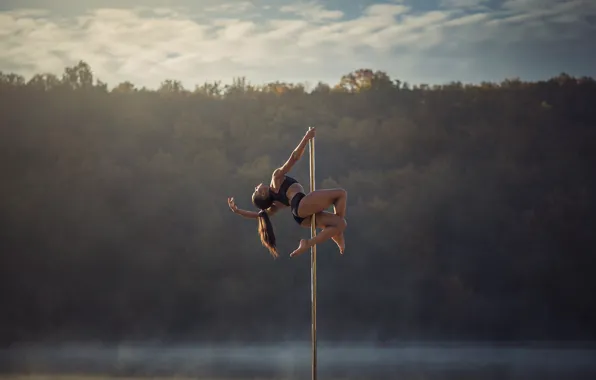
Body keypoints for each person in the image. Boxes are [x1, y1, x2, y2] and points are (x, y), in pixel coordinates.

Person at [227, 128, 347, 258]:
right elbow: (294, 158)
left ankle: (310, 242)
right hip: (301, 205)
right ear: (262, 194)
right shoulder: (276, 179)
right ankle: (337, 235)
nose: (256, 186)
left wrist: (238, 211)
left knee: (340, 224)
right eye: (256, 190)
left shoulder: (275, 205)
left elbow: (259, 215)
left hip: (301, 218)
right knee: (340, 194)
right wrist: (306, 138)